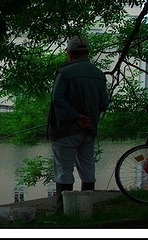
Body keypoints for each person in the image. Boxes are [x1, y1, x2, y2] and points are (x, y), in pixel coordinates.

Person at [47, 36, 109, 212]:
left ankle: (63, 209)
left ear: (70, 53)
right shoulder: (99, 74)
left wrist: (75, 116)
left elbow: (57, 100)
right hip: (89, 131)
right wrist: (88, 117)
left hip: (65, 130)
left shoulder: (64, 73)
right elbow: (104, 103)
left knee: (64, 169)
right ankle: (86, 208)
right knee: (87, 167)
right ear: (87, 53)